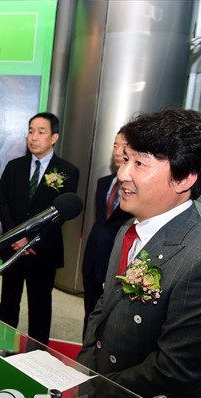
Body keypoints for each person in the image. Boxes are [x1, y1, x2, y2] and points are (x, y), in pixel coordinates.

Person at [78, 109, 201, 398]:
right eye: (125, 160)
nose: (122, 174)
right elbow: (104, 307)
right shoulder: (128, 229)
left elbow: (175, 372)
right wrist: (87, 366)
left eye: (139, 163)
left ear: (183, 178)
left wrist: (96, 389)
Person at [0, 112, 79, 345]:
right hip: (13, 249)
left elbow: (61, 214)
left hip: (43, 251)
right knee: (8, 303)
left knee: (40, 307)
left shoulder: (67, 171)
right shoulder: (14, 166)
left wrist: (31, 239)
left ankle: (37, 354)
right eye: (31, 131)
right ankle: (3, 349)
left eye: (41, 132)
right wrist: (16, 237)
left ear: (54, 137)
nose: (33, 137)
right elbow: (3, 203)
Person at [81, 130, 132, 338]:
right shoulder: (104, 182)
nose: (118, 152)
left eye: (124, 146)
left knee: (111, 322)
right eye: (115, 145)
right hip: (93, 258)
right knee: (89, 315)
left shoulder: (137, 189)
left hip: (117, 262)